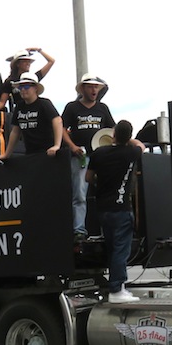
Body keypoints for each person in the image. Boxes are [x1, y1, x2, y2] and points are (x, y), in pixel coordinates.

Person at [86, 120, 145, 303]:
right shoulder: (131, 152)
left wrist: (101, 183)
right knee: (121, 250)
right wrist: (129, 140)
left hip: (102, 209)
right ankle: (117, 289)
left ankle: (117, 286)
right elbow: (141, 146)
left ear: (113, 135)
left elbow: (88, 178)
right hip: (121, 209)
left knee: (112, 249)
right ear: (128, 137)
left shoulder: (99, 152)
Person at [61, 73, 115, 241]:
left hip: (101, 156)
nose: (94, 90)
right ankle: (79, 230)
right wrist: (72, 146)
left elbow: (112, 129)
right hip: (81, 156)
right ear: (83, 89)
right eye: (90, 86)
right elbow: (61, 128)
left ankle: (107, 229)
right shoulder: (72, 107)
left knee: (106, 193)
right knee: (79, 193)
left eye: (96, 87)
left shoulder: (103, 108)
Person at [0, 73, 62, 159]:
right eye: (21, 87)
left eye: (27, 86)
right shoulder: (19, 106)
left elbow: (57, 121)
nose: (23, 90)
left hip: (48, 153)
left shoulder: (44, 104)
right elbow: (15, 132)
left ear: (35, 88)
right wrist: (7, 154)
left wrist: (57, 145)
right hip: (31, 153)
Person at [0, 47, 55, 113]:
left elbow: (51, 61)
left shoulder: (33, 78)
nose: (28, 63)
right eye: (24, 61)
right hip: (20, 112)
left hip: (35, 111)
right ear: (17, 64)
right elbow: (2, 103)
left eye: (29, 61)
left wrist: (38, 50)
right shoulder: (9, 81)